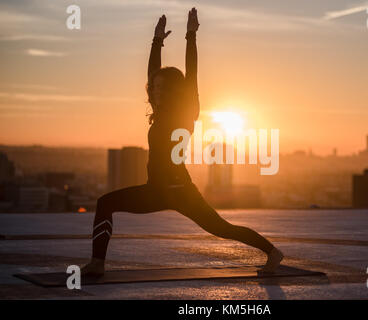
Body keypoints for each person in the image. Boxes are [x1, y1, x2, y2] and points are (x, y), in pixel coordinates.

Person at [81, 8, 283, 276]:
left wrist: (191, 36)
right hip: (155, 190)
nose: (156, 91)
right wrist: (156, 41)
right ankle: (97, 263)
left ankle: (272, 252)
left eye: (163, 88)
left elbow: (192, 73)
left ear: (176, 91)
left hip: (180, 190)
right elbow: (153, 73)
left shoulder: (186, 112)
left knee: (221, 228)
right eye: (155, 88)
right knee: (105, 203)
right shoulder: (159, 110)